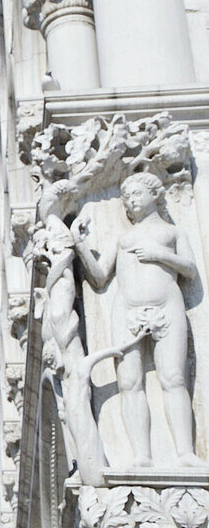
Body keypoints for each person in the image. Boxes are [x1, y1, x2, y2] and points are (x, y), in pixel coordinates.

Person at [72, 172, 201, 467]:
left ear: (154, 195)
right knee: (130, 382)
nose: (131, 201)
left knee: (174, 378)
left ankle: (185, 453)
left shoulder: (171, 232)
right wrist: (80, 245)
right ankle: (142, 455)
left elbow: (190, 269)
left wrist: (159, 255)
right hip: (127, 310)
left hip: (167, 306)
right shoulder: (124, 238)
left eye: (137, 194)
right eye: (127, 197)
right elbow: (100, 276)